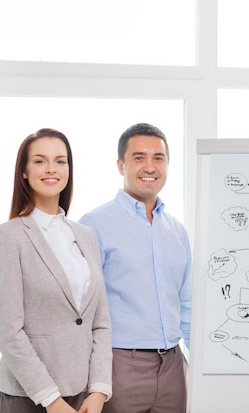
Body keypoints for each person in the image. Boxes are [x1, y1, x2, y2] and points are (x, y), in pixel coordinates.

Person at [0, 128, 112, 413]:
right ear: (24, 172)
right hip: (29, 395)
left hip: (84, 395)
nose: (51, 169)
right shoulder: (8, 236)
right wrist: (51, 399)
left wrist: (100, 390)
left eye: (60, 161)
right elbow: (9, 331)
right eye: (40, 161)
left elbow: (101, 322)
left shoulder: (86, 235)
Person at [79, 122, 193, 413]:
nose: (150, 166)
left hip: (173, 367)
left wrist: (202, 364)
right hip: (119, 365)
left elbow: (187, 302)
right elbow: (83, 308)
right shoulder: (94, 225)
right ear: (121, 165)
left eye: (158, 158)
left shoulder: (177, 231)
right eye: (139, 157)